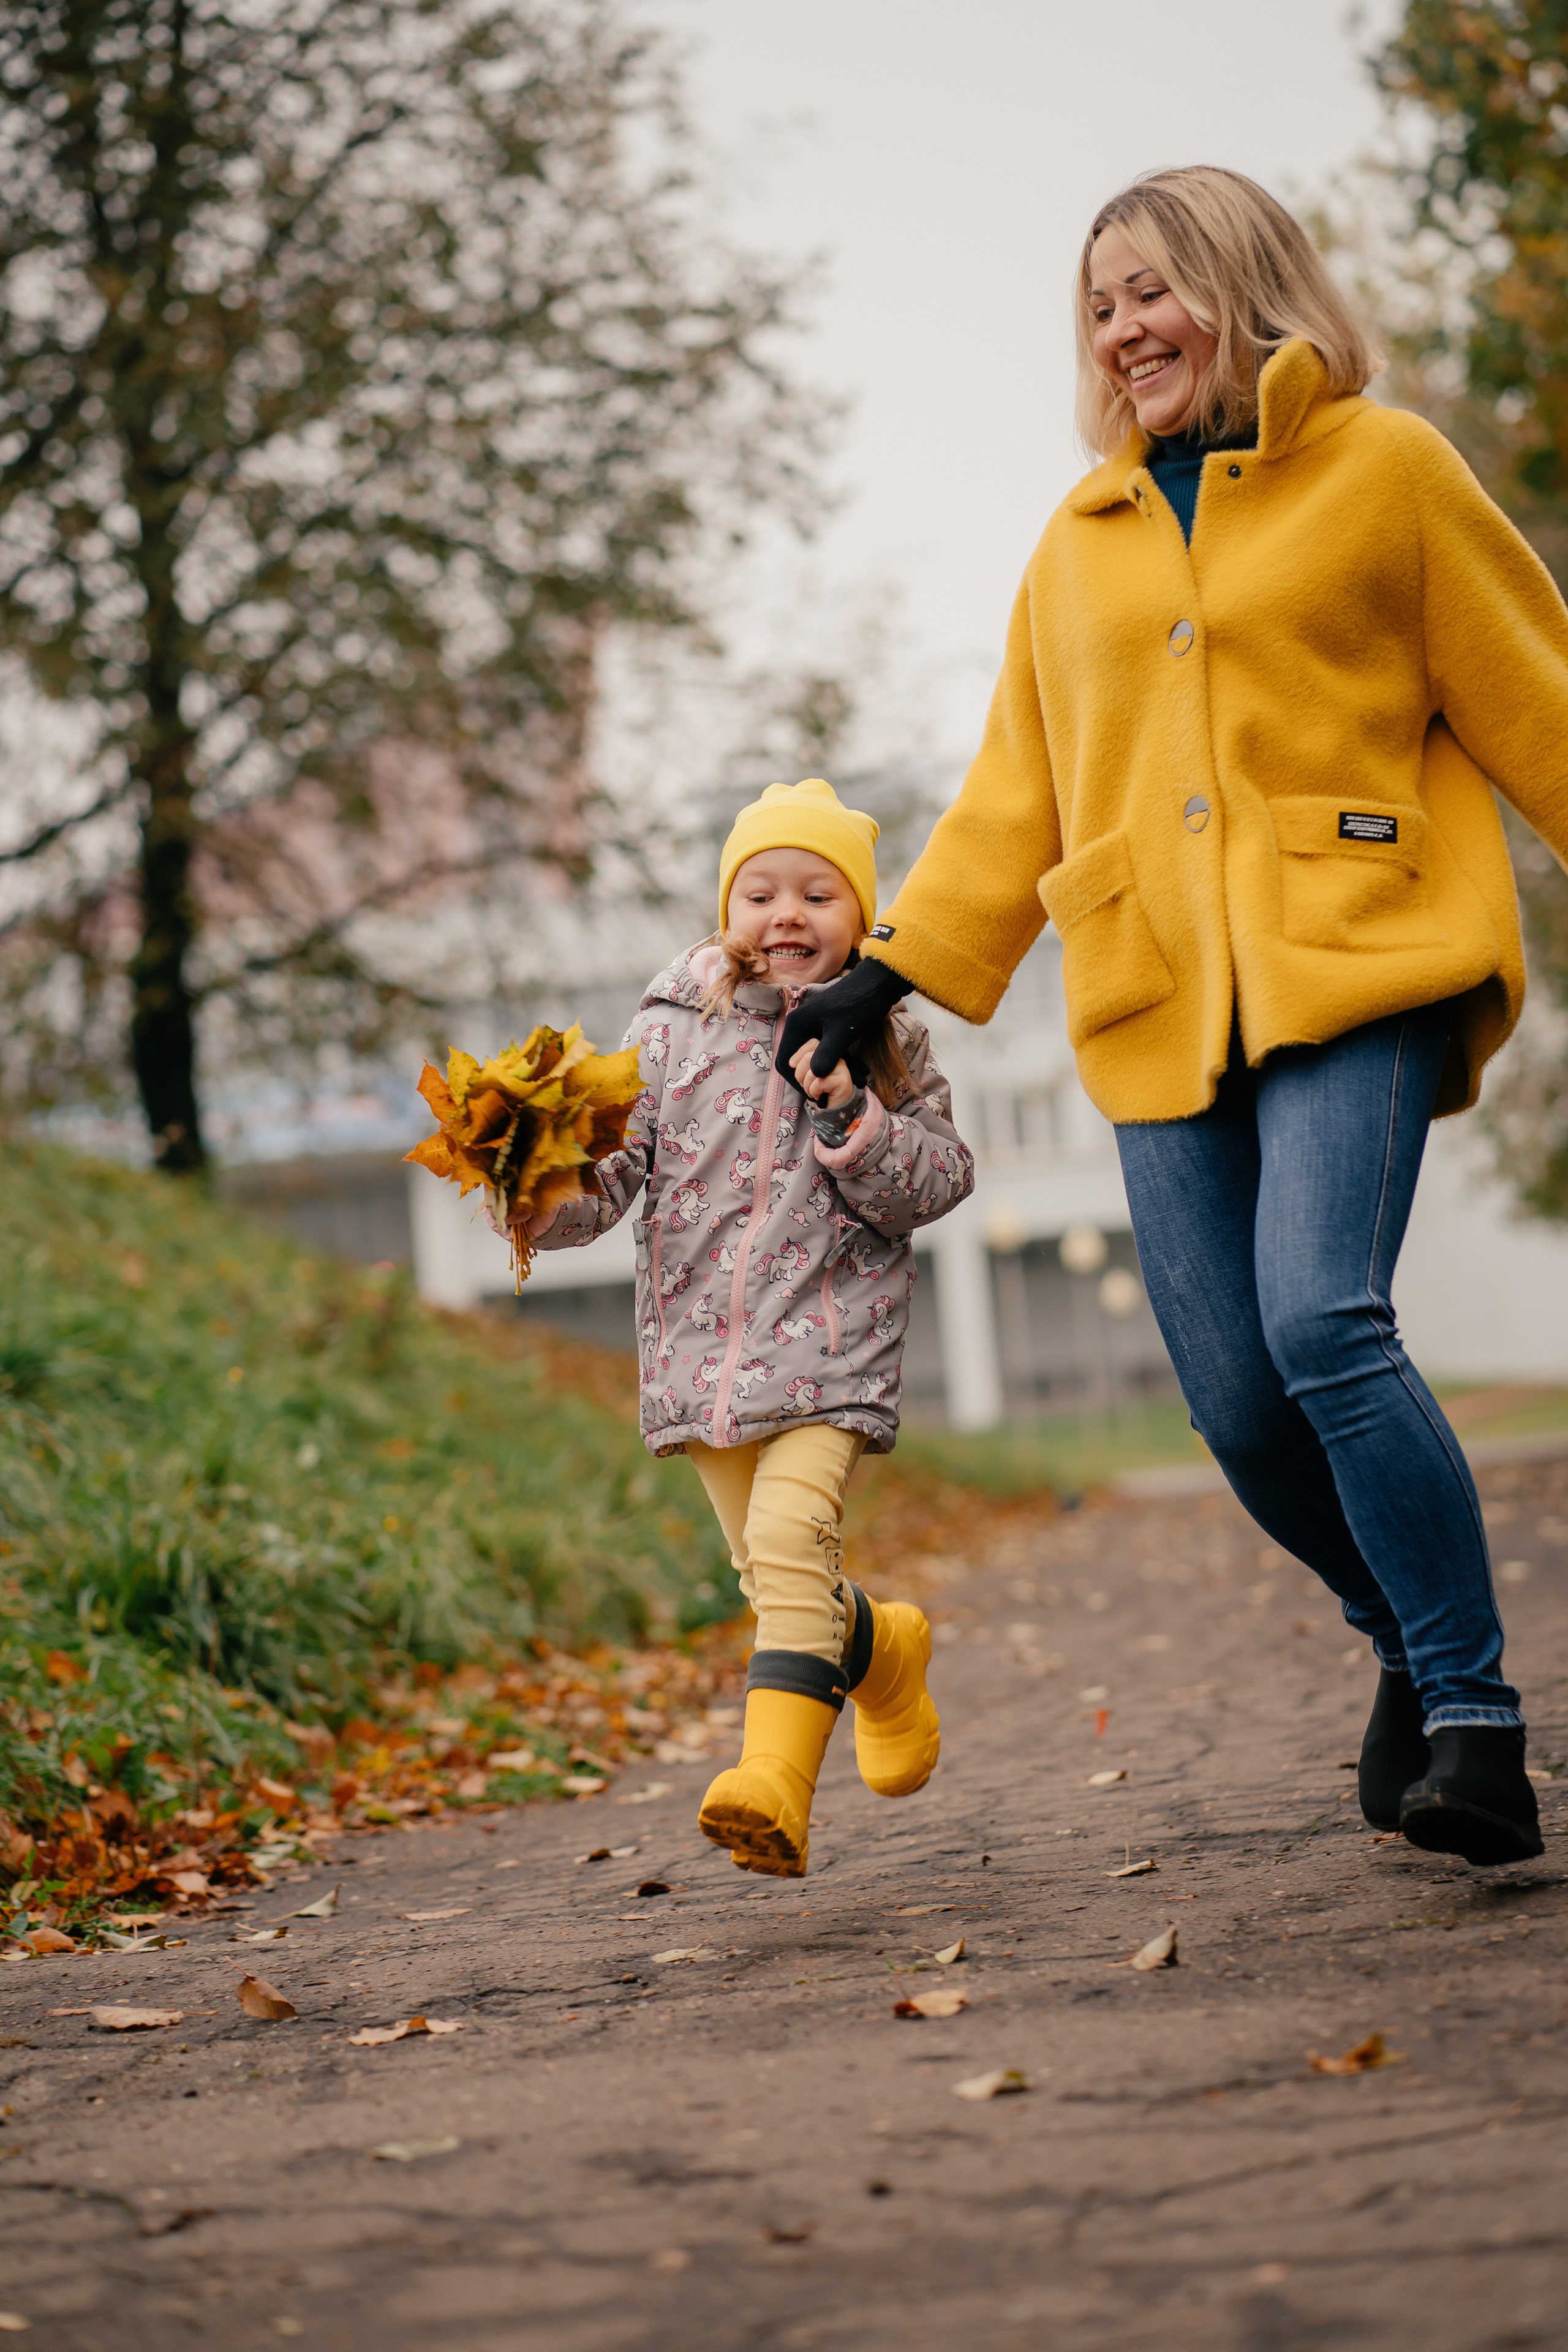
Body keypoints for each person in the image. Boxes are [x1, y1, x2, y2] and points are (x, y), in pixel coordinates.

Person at [778, 165, 1568, 1869]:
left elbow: (1541, 697)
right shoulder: (1077, 543)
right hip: (1155, 998)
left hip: (1359, 956)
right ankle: (1401, 1639)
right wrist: (885, 967)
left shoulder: (1387, 470)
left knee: (1322, 1323)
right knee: (1234, 1405)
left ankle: (1476, 1719)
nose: (1123, 330)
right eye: (1098, 306)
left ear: (1242, 283)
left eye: (1151, 290)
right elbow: (1015, 794)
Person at [531, 777, 975, 1875]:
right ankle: (885, 1652)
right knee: (778, 1576)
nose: (787, 916)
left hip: (831, 1348)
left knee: (786, 1545)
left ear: (861, 918)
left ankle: (773, 1783)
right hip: (702, 1361)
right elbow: (614, 1175)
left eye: (819, 896)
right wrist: (541, 1196)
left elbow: (937, 1181)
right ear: (727, 909)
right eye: (761, 892)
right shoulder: (667, 1030)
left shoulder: (889, 1041)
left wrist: (853, 1114)